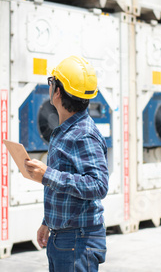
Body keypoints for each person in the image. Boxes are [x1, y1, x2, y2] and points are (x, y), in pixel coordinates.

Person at [25, 55, 109, 272]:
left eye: (51, 82)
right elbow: (66, 185)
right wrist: (48, 222)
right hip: (64, 237)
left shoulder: (83, 135)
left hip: (78, 241)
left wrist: (47, 174)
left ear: (58, 91)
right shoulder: (65, 131)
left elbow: (99, 185)